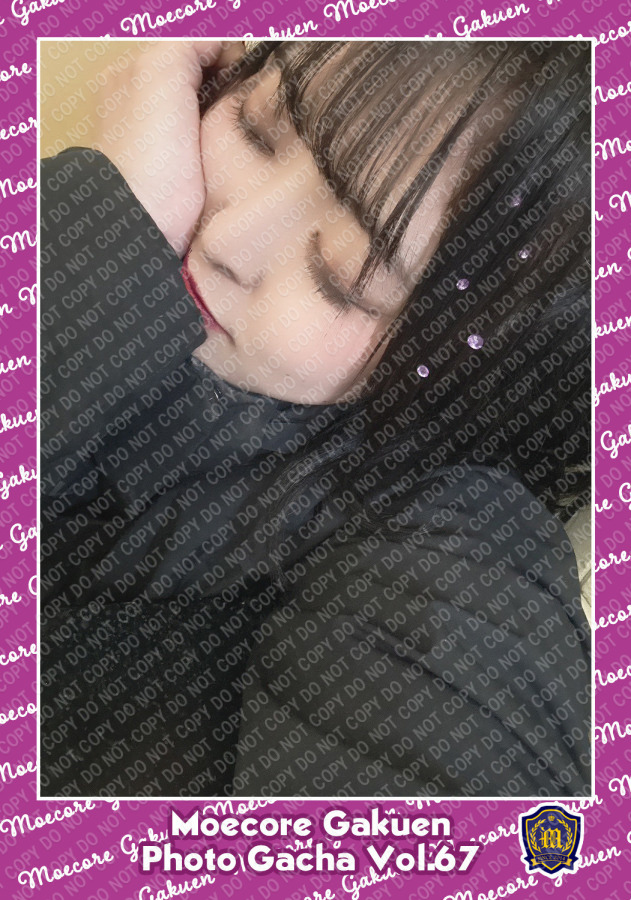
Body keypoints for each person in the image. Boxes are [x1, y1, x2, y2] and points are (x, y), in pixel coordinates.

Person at [40, 39, 591, 798]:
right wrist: (96, 234)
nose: (226, 242)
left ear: (464, 361)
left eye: (343, 277)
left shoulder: (450, 561)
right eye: (256, 127)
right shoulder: (74, 229)